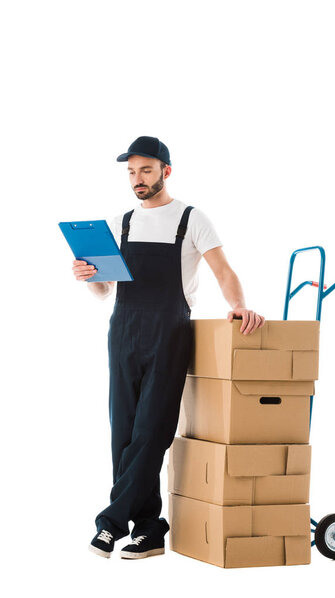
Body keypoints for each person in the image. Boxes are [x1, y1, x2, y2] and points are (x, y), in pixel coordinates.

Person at [72, 136, 265, 560]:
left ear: (165, 171)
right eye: (131, 172)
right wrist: (88, 275)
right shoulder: (121, 223)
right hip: (122, 331)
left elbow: (223, 270)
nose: (137, 179)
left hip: (170, 333)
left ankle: (110, 524)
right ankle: (149, 530)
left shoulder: (191, 219)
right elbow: (105, 290)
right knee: (122, 436)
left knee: (151, 432)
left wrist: (238, 307)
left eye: (145, 170)